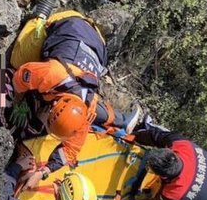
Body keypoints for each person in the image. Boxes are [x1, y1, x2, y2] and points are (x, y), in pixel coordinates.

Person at [11, 10, 140, 188]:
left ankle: (121, 119)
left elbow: (70, 151)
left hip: (97, 44)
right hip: (70, 22)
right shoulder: (52, 73)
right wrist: (19, 103)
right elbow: (19, 77)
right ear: (55, 103)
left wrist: (42, 173)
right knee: (17, 59)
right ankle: (41, 12)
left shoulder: (85, 110)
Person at [129, 118, 207, 200]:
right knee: (165, 135)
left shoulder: (175, 194)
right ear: (171, 151)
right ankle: (146, 127)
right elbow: (158, 136)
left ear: (163, 177)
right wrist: (133, 137)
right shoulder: (181, 145)